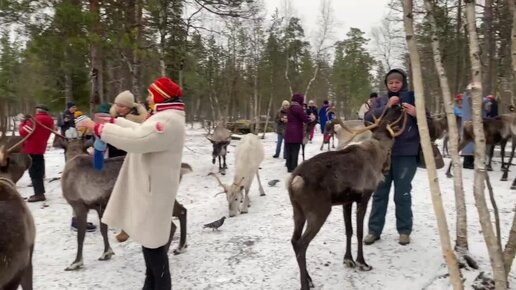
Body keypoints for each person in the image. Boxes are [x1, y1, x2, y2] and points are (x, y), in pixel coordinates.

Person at [78, 77, 185, 290]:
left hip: (153, 192)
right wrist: (113, 122)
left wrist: (98, 129)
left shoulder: (169, 121)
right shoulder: (164, 116)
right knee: (150, 249)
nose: (147, 98)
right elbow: (140, 130)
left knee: (154, 251)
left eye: (151, 93)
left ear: (161, 96)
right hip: (151, 189)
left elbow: (138, 140)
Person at [363, 68, 431, 246]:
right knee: (379, 193)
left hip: (406, 154)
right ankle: (374, 230)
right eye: (391, 82)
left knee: (402, 194)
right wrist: (386, 107)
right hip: (382, 154)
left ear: (403, 82)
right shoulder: (381, 100)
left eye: (397, 82)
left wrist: (417, 114)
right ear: (387, 84)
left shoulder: (415, 98)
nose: (394, 85)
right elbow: (367, 119)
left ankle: (404, 230)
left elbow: (431, 127)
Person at [19, 105, 54, 202]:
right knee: (39, 171)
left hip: (32, 148)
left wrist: (22, 123)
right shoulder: (49, 120)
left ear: (38, 111)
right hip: (40, 148)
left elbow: (23, 132)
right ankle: (40, 192)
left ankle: (39, 194)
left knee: (34, 172)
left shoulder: (35, 120)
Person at [107, 90, 148, 158]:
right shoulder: (113, 116)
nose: (118, 108)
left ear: (129, 107)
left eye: (122, 106)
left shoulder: (135, 119)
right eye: (117, 105)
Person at [284, 93, 314, 173]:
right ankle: (294, 168)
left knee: (289, 150)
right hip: (296, 132)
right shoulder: (298, 108)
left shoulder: (289, 108)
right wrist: (311, 119)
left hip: (288, 131)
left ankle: (289, 167)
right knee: (295, 151)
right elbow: (305, 119)